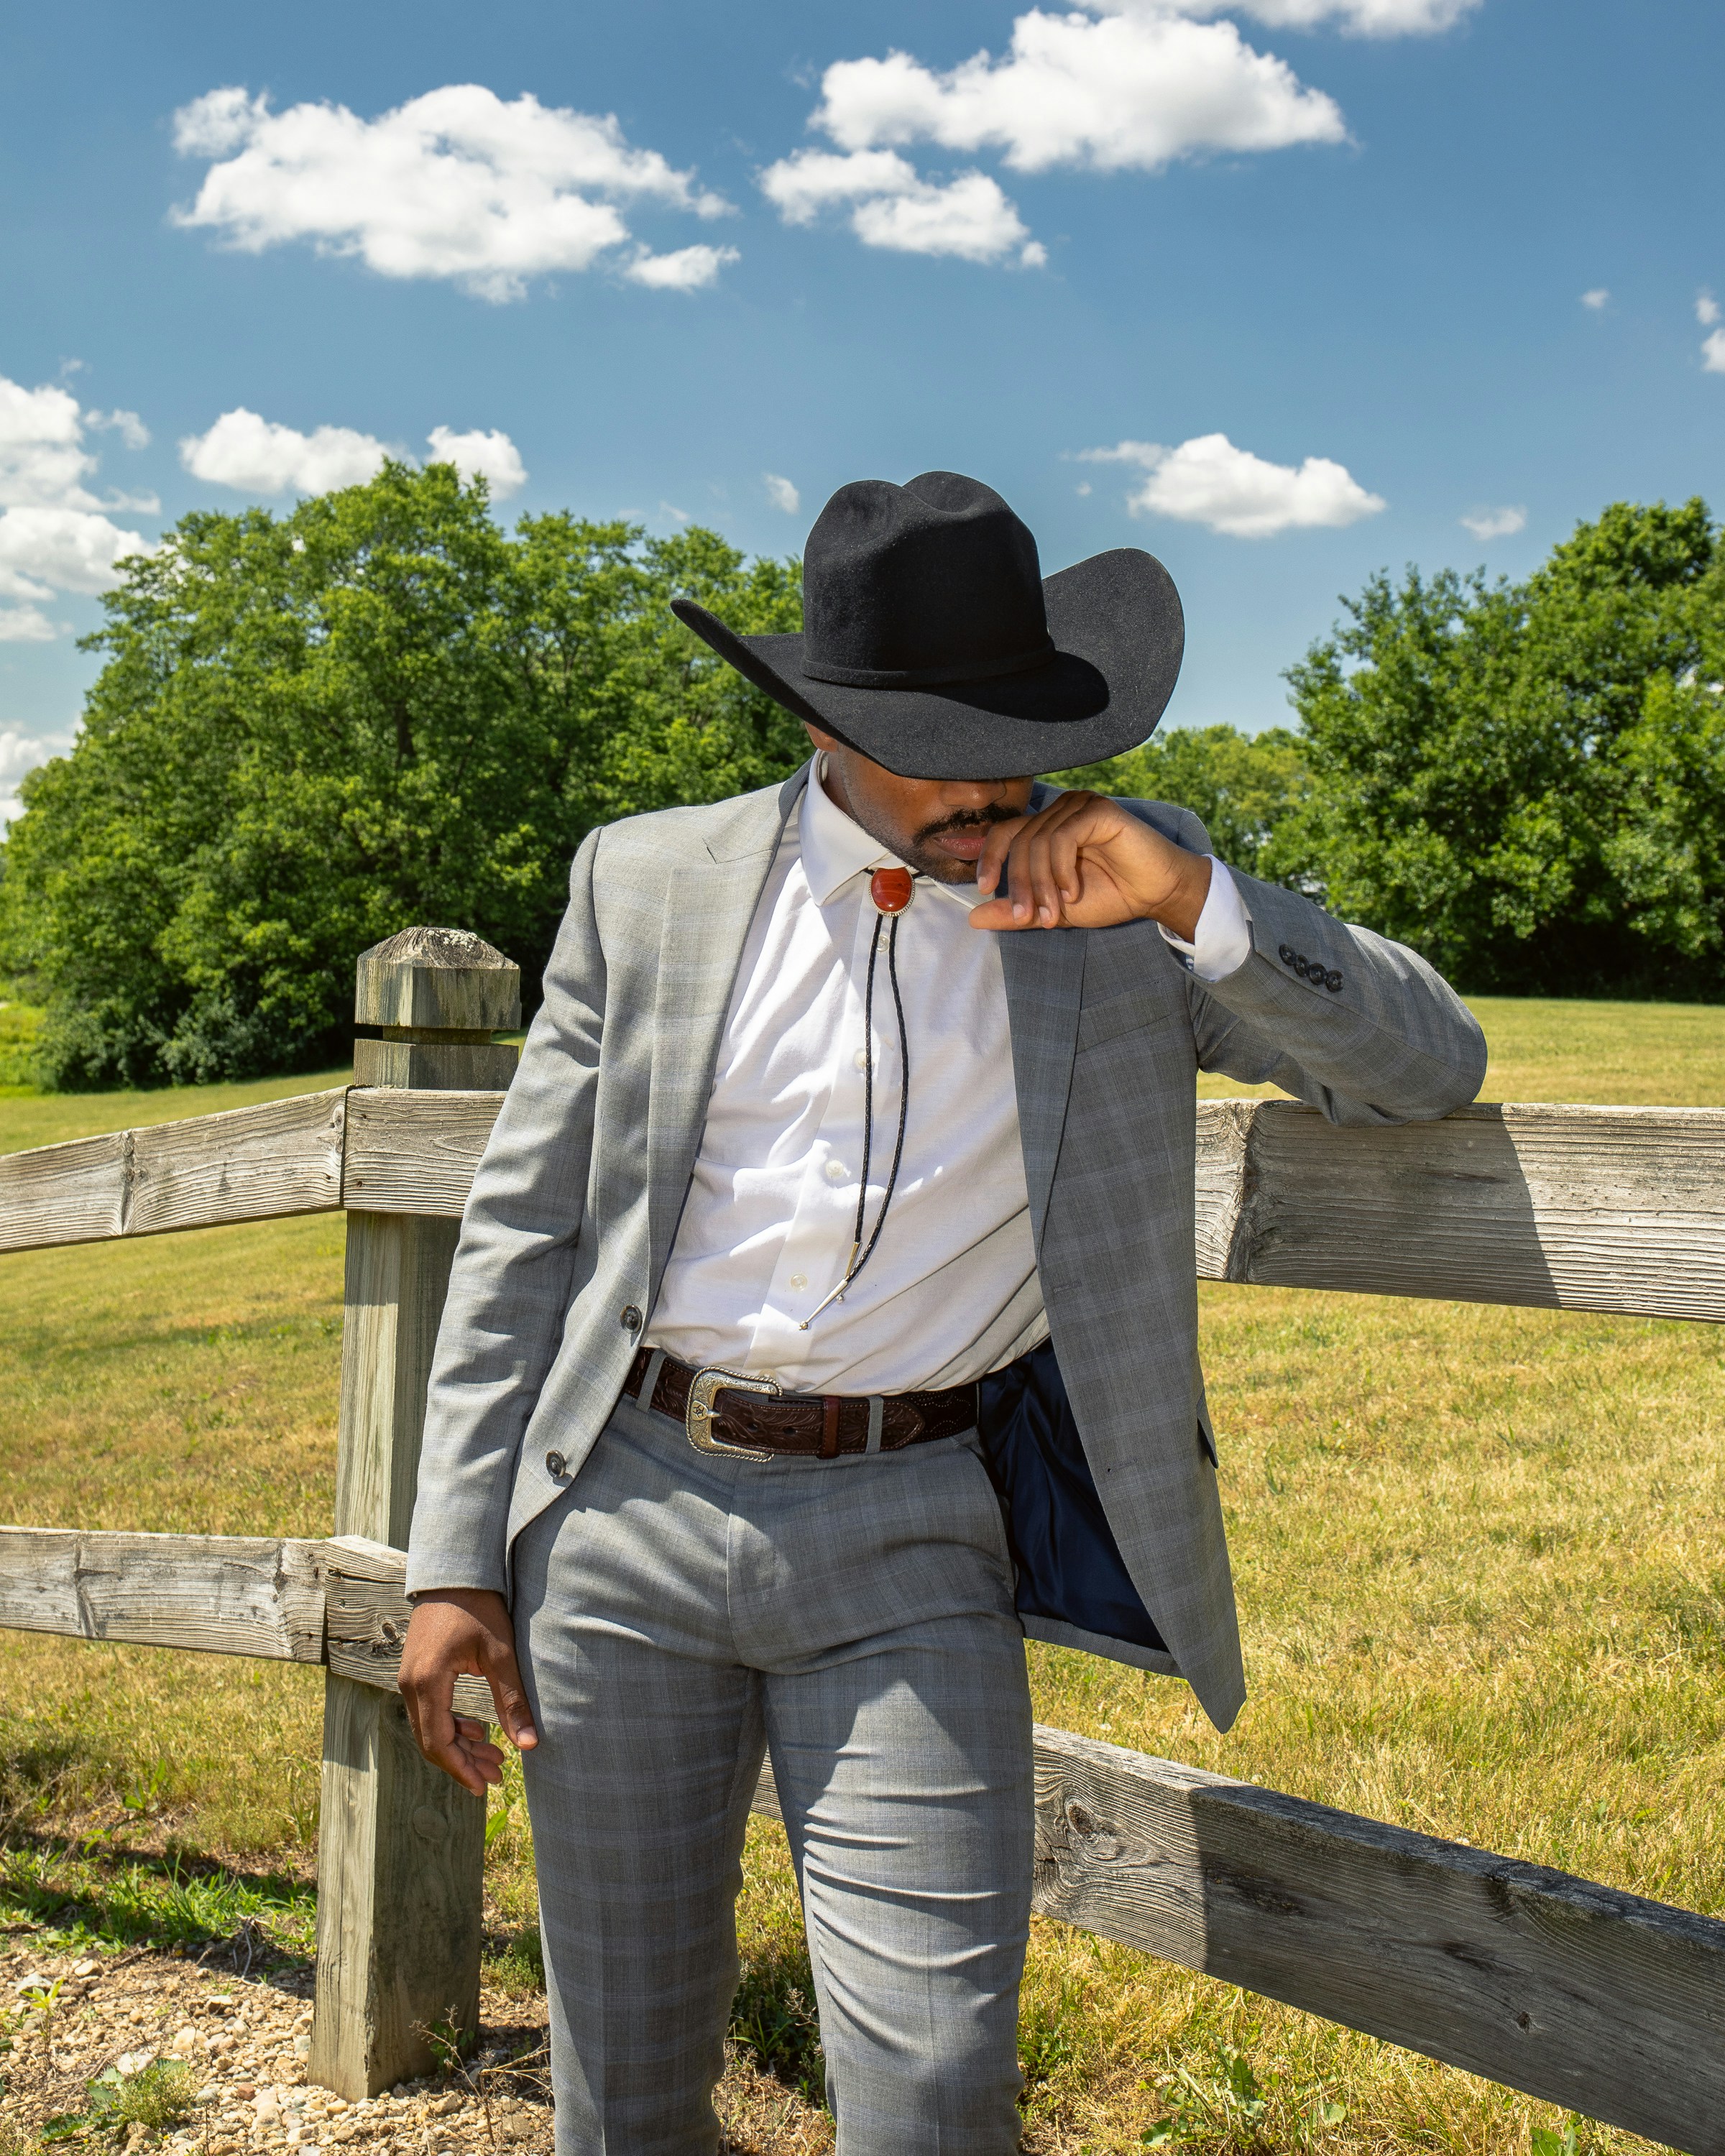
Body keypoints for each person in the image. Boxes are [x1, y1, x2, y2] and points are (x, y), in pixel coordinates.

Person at [397, 471, 1486, 2155]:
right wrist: (456, 1556)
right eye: (943, 736)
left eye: (1020, 735)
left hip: (916, 1534)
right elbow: (525, 1231)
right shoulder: (651, 881)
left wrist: (1200, 906)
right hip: (619, 1518)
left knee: (935, 2094)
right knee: (619, 2088)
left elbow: (1432, 1066)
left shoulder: (1126, 899)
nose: (995, 783)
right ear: (832, 722)